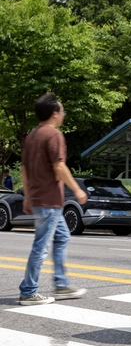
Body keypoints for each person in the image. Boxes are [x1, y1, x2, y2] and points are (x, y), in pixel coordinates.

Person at [19, 92, 88, 306]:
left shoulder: (32, 135)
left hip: (42, 200)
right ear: (54, 113)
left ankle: (61, 284)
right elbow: (59, 166)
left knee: (62, 237)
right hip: (49, 201)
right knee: (41, 246)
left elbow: (23, 168)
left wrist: (28, 196)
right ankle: (28, 291)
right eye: (62, 110)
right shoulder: (54, 135)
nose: (63, 114)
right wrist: (77, 190)